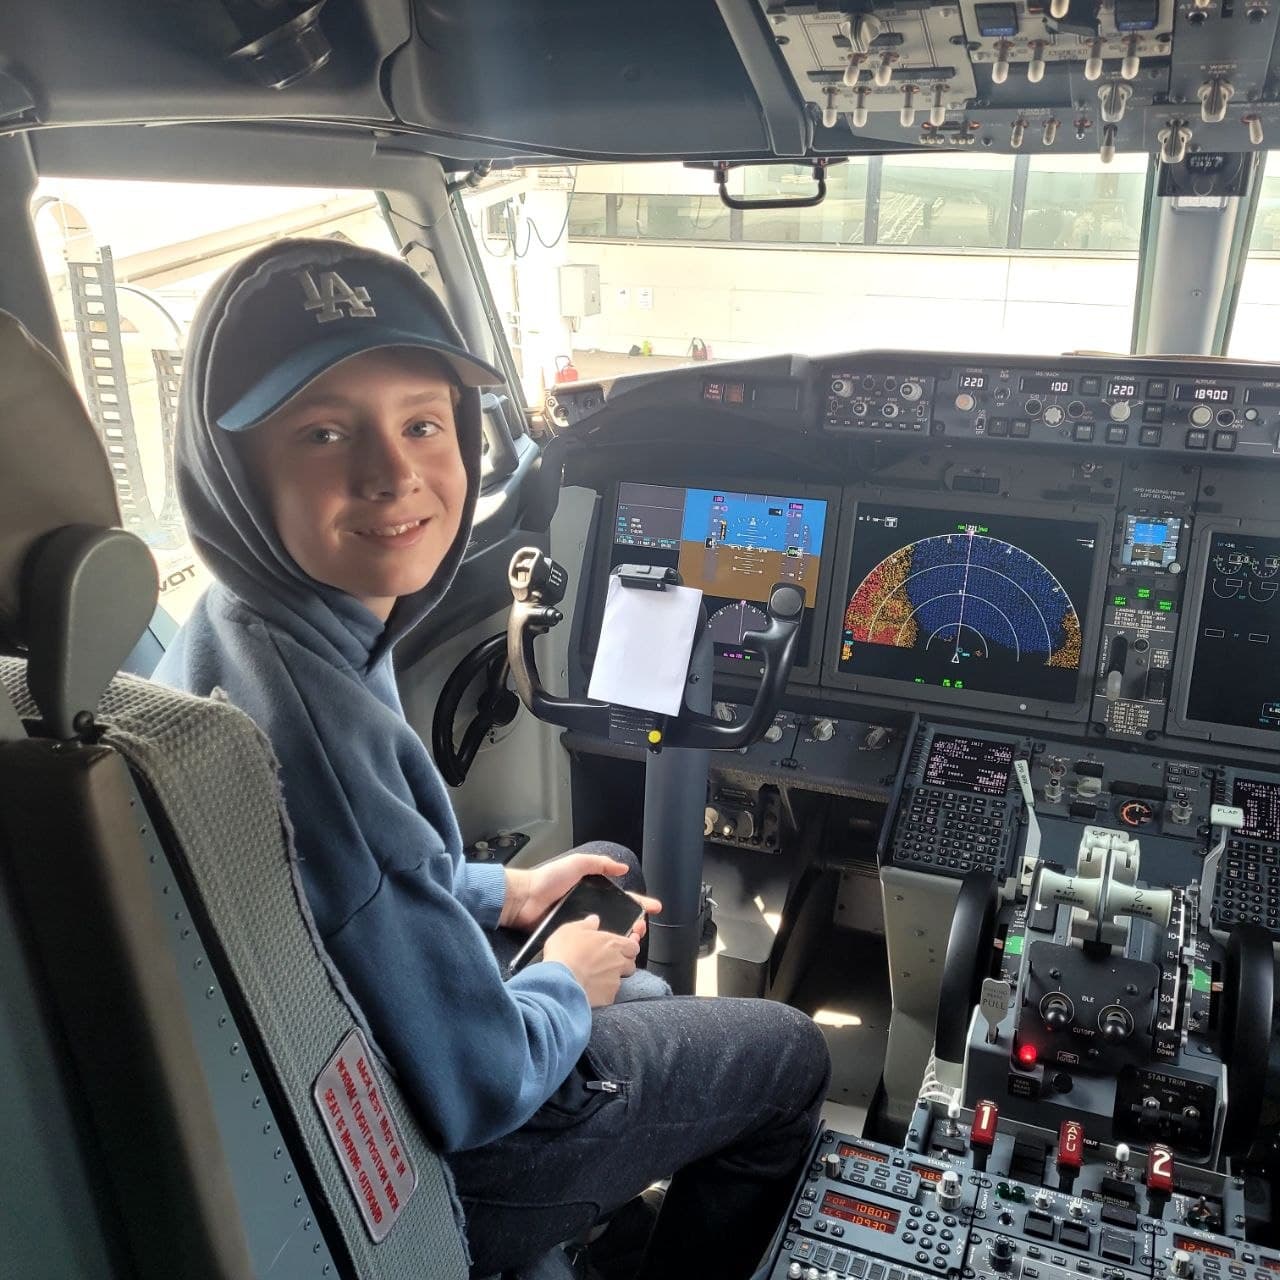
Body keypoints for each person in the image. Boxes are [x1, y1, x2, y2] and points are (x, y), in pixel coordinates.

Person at [153, 237, 830, 1279]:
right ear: (233, 473)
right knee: (789, 1056)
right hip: (451, 1155)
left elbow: (354, 888)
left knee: (606, 865)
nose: (393, 474)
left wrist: (503, 890)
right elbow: (479, 1082)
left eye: (423, 423)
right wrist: (562, 980)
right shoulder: (324, 730)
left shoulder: (253, 618)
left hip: (338, 1043)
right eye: (325, 432)